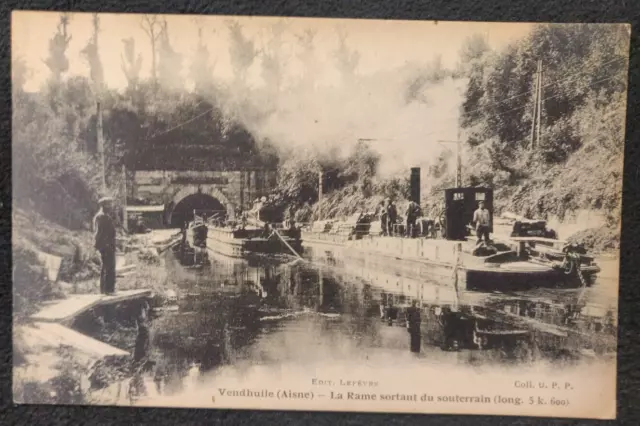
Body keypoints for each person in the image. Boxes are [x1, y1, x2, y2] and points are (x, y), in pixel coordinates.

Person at [94, 197, 117, 295]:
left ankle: (104, 290)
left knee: (106, 267)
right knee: (109, 267)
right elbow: (99, 232)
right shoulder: (102, 217)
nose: (111, 206)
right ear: (104, 206)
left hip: (107, 244)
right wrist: (99, 245)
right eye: (109, 204)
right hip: (106, 245)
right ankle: (108, 290)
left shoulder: (102, 216)